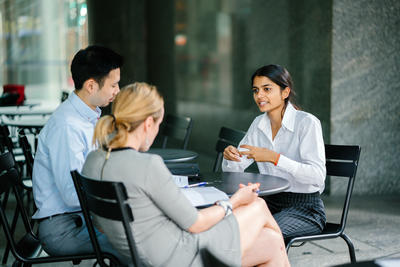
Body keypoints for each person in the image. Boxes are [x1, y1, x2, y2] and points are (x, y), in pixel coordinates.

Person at [82, 82, 290, 267]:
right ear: (147, 123)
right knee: (257, 205)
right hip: (181, 256)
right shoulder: (147, 165)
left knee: (271, 243)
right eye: (158, 124)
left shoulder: (93, 161)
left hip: (138, 256)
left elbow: (102, 223)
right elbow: (196, 223)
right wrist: (234, 201)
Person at [32, 45, 126, 262]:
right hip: (65, 228)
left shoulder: (85, 118)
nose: (118, 91)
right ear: (91, 85)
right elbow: (73, 194)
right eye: (113, 84)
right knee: (136, 241)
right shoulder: (68, 126)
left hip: (80, 218)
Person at [222, 64, 326, 242]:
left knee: (257, 236)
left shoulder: (307, 123)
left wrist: (275, 158)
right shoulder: (258, 124)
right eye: (256, 90)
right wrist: (230, 157)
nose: (259, 96)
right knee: (224, 228)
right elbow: (233, 170)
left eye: (267, 89)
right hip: (267, 202)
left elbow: (317, 177)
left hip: (305, 208)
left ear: (285, 92)